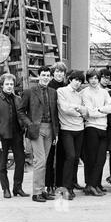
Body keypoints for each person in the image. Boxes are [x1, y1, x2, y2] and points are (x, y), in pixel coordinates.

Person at [18, 67, 60, 202]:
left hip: (50, 129)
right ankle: (36, 193)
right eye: (43, 75)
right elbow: (20, 111)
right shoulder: (29, 92)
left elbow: (55, 113)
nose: (46, 77)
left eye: (48, 75)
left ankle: (42, 190)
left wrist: (56, 132)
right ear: (39, 76)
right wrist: (29, 124)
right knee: (40, 161)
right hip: (36, 129)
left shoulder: (53, 92)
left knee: (45, 161)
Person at [80, 69, 111, 196]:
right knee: (92, 159)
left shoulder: (104, 92)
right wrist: (102, 111)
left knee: (101, 159)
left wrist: (99, 109)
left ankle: (93, 184)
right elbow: (89, 112)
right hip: (91, 128)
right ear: (88, 80)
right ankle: (91, 185)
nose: (94, 80)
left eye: (96, 78)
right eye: (91, 78)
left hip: (103, 128)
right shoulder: (85, 93)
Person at [57, 70, 88, 200]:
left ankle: (72, 185)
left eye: (80, 81)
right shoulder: (61, 91)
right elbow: (64, 109)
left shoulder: (79, 95)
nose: (78, 83)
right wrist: (79, 110)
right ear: (70, 79)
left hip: (79, 129)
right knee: (70, 156)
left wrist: (79, 110)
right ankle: (65, 188)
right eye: (76, 80)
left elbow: (86, 110)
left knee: (76, 159)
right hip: (66, 129)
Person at [0, 74, 26, 199]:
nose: (9, 86)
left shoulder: (18, 98)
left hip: (17, 135)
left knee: (20, 161)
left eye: (11, 84)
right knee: (2, 164)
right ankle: (6, 189)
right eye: (7, 84)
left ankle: (17, 188)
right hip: (2, 136)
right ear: (2, 85)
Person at [45, 62, 68, 195]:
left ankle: (59, 183)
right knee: (50, 156)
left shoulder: (65, 87)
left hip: (65, 125)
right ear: (53, 73)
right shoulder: (49, 87)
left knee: (62, 156)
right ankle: (49, 184)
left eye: (62, 72)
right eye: (57, 72)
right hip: (53, 126)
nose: (59, 74)